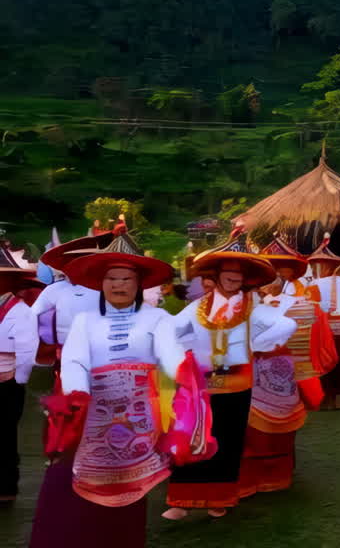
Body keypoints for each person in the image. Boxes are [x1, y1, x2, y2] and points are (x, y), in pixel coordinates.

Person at [29, 228, 211, 548]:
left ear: (139, 283)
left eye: (126, 278)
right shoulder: (86, 320)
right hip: (86, 414)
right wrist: (77, 392)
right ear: (102, 282)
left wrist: (183, 372)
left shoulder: (157, 320)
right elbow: (74, 361)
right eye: (112, 278)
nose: (118, 284)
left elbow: (172, 357)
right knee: (66, 486)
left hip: (137, 420)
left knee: (126, 495)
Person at [164, 230, 292, 520]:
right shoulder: (198, 307)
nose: (234, 278)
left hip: (236, 384)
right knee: (191, 436)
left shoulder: (254, 307)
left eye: (239, 274)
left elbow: (285, 326)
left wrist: (256, 345)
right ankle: (181, 501)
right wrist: (185, 354)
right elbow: (172, 332)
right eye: (229, 272)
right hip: (199, 383)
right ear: (217, 275)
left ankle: (218, 499)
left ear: (246, 278)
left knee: (227, 441)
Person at [237, 234, 329, 500]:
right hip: (249, 374)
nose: (274, 275)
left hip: (282, 373)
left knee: (280, 429)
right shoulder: (243, 303)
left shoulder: (303, 304)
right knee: (251, 431)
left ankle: (276, 475)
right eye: (268, 270)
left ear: (289, 275)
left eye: (279, 270)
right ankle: (252, 478)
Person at [30, 233, 111, 373]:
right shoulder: (55, 289)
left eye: (82, 261)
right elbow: (30, 315)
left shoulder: (108, 287)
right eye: (72, 262)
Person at [0, 251, 39, 504]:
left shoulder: (21, 311)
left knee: (4, 434)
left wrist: (18, 377)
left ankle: (5, 487)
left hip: (7, 381)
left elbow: (28, 349)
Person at [309, 235, 340, 409]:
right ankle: (336, 400)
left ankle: (325, 398)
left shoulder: (312, 284)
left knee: (324, 361)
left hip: (321, 328)